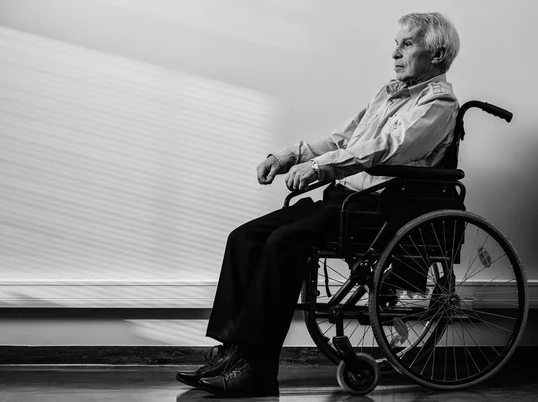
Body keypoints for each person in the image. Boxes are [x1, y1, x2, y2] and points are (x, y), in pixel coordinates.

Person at [176, 12, 460, 398]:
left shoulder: (438, 103)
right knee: (244, 237)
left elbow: (384, 150)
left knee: (284, 242)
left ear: (438, 54)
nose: (395, 52)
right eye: (396, 43)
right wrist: (289, 156)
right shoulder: (388, 93)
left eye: (406, 44)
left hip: (379, 209)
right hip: (344, 200)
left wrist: (319, 169)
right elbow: (342, 139)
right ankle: (232, 352)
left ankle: (256, 367)